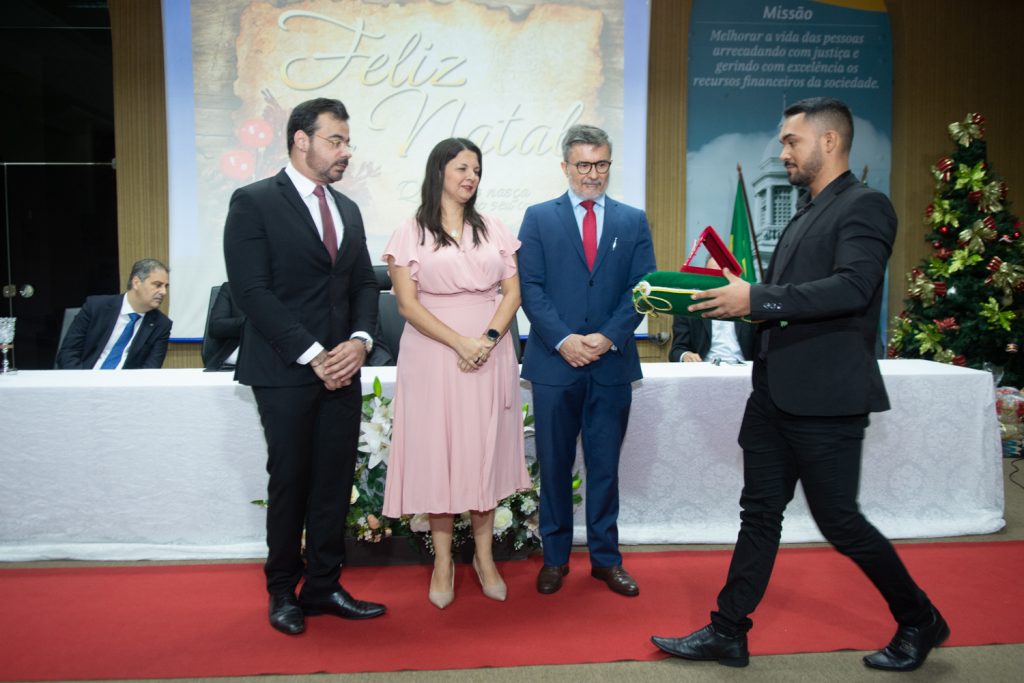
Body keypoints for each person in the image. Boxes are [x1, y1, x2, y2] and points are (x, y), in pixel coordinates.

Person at [651, 97, 947, 671]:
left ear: (829, 141)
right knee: (760, 512)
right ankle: (728, 630)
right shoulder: (806, 212)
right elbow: (788, 301)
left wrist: (756, 298)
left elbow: (853, 288)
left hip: (827, 398)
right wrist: (739, 297)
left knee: (840, 522)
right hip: (773, 395)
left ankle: (919, 618)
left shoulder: (865, 206)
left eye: (792, 140)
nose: (783, 151)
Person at [223, 97, 385, 636]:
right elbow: (251, 291)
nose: (345, 151)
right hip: (285, 369)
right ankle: (281, 591)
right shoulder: (253, 201)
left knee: (334, 482)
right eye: (335, 140)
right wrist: (314, 354)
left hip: (344, 368)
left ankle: (323, 585)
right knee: (291, 480)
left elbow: (364, 284)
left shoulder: (348, 209)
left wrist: (360, 340)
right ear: (300, 139)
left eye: (347, 142)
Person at [382, 137, 529, 609]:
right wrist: (460, 343)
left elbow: (512, 293)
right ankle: (443, 561)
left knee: (482, 451)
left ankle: (485, 559)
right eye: (462, 167)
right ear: (439, 171)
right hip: (433, 353)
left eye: (477, 170)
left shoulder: (494, 228)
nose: (471, 177)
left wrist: (486, 340)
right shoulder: (410, 231)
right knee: (439, 455)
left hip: (490, 351)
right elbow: (407, 305)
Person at [518, 124, 656, 597]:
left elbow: (643, 288)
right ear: (565, 166)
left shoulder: (632, 220)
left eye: (601, 164)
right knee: (554, 466)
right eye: (583, 165)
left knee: (604, 467)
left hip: (611, 363)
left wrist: (607, 336)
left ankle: (606, 560)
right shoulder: (539, 218)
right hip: (555, 365)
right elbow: (530, 288)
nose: (593, 174)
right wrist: (564, 340)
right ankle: (554, 559)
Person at [56, 258, 171, 369]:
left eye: (165, 286)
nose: (163, 292)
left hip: (125, 381)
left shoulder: (161, 325)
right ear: (136, 282)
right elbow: (68, 352)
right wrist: (83, 380)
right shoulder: (96, 307)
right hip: (85, 376)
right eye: (157, 285)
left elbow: (150, 369)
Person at [669, 258, 754, 364]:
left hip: (744, 368)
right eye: (713, 274)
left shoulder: (747, 304)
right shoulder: (690, 306)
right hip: (705, 368)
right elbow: (676, 350)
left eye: (722, 274)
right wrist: (686, 355)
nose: (717, 279)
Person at [202, 282, 243, 371]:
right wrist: (251, 322)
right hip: (227, 367)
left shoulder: (275, 293)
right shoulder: (230, 289)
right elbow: (215, 327)